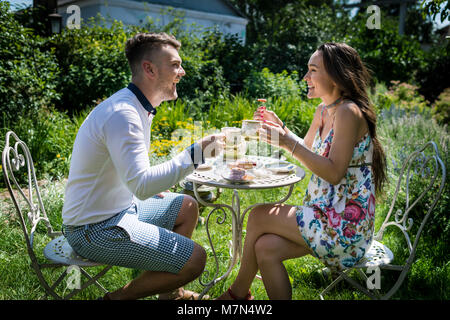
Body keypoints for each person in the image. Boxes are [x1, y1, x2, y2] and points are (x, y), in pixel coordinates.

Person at [218, 42, 387, 300]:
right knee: (265, 248)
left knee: (258, 216)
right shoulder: (324, 110)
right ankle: (240, 295)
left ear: (336, 75)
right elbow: (309, 150)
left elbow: (333, 172)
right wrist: (283, 130)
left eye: (312, 70)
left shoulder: (348, 112)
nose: (305, 77)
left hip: (344, 228)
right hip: (323, 214)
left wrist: (285, 142)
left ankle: (236, 295)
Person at [62, 32, 223, 300]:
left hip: (119, 210)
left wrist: (139, 191)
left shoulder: (137, 106)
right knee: (196, 259)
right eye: (174, 65)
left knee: (187, 205)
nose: (181, 72)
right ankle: (115, 299)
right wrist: (197, 154)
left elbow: (132, 179)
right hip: (92, 230)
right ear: (149, 68)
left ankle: (171, 294)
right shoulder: (123, 114)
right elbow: (143, 184)